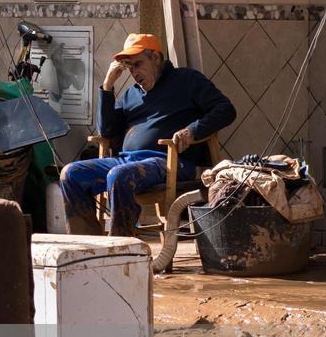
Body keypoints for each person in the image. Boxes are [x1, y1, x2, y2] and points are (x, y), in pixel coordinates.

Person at [59, 33, 236, 236]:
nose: (134, 72)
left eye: (138, 64)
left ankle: (122, 243)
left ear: (156, 58)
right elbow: (106, 131)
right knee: (71, 174)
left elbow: (226, 110)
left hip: (168, 162)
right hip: (126, 162)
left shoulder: (187, 80)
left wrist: (192, 131)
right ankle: (88, 244)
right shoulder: (130, 94)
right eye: (130, 67)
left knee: (119, 175)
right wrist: (107, 87)